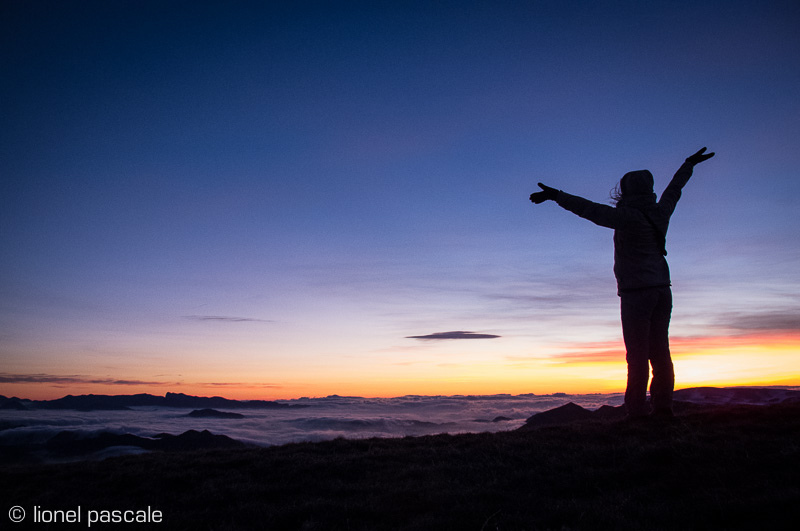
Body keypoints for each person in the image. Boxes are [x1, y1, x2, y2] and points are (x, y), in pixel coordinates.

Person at [529, 147, 715, 419]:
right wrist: (688, 165)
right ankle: (663, 410)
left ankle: (636, 413)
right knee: (660, 353)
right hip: (663, 290)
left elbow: (589, 210)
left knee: (637, 356)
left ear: (627, 190)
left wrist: (556, 195)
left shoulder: (626, 218)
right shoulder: (660, 212)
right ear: (649, 189)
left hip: (636, 294)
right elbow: (674, 190)